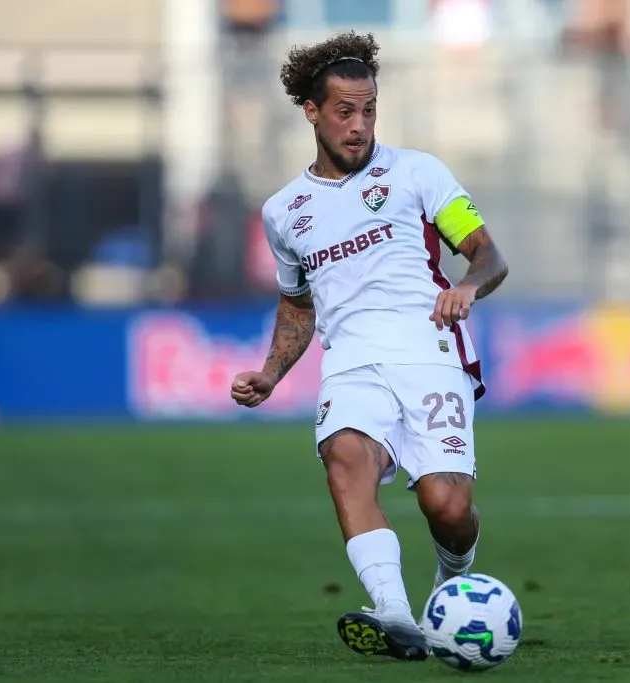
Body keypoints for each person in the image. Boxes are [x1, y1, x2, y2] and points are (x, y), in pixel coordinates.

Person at [229, 31, 508, 661]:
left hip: (431, 353)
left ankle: (451, 582)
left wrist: (468, 286)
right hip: (352, 363)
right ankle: (395, 615)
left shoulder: (417, 172)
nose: (360, 125)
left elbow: (488, 253)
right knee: (345, 461)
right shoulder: (285, 212)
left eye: (369, 110)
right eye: (345, 112)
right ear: (311, 111)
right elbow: (299, 302)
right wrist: (273, 372)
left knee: (448, 505)